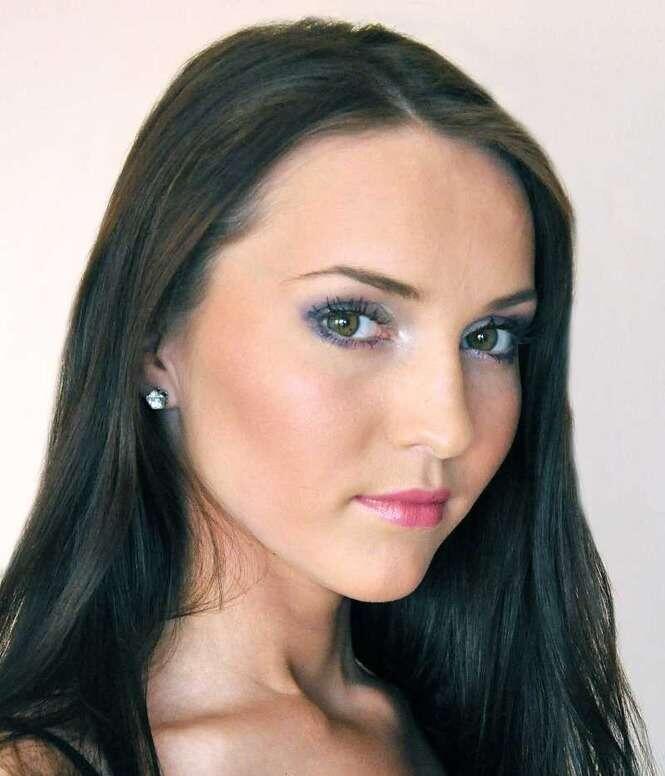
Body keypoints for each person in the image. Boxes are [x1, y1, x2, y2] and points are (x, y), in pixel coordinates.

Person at [0, 15, 657, 776]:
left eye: (489, 338)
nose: (447, 426)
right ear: (154, 339)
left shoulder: (486, 724)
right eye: (350, 321)